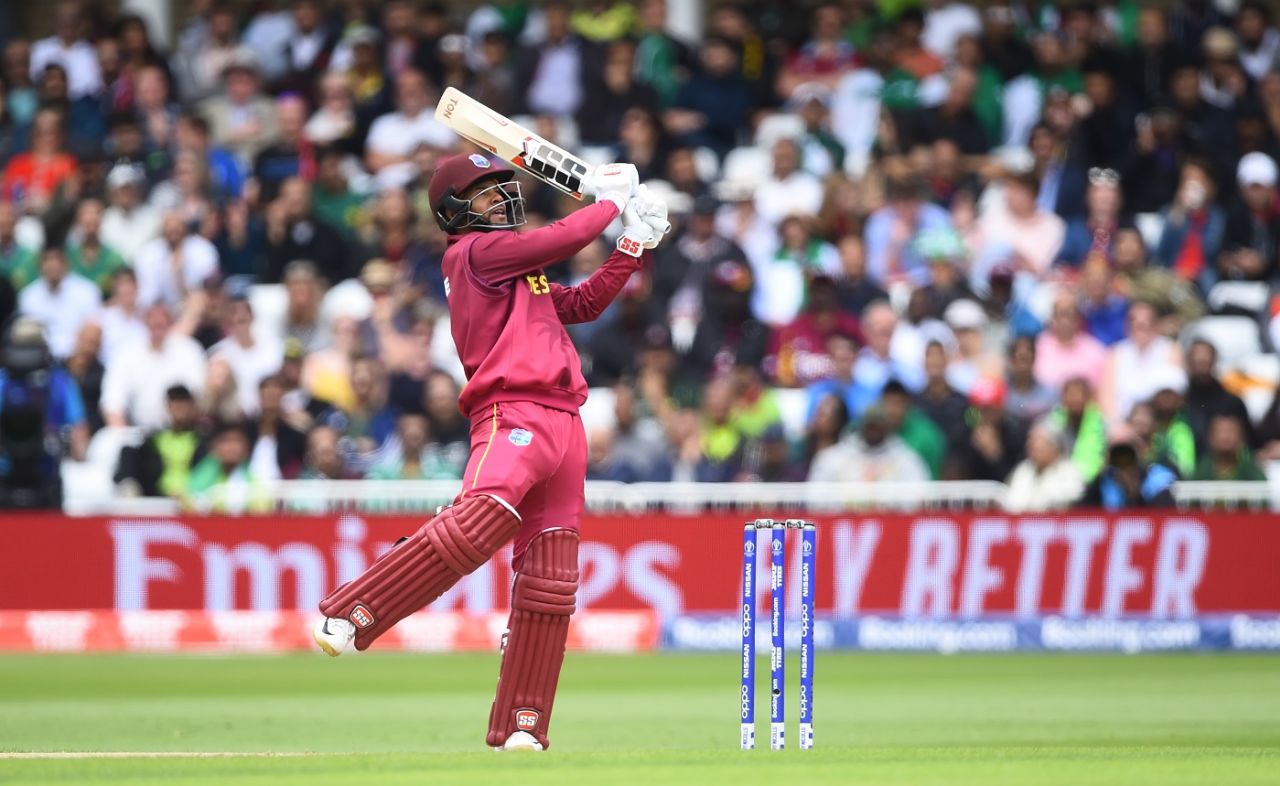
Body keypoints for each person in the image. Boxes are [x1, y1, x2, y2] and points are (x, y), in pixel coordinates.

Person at [312, 153, 669, 755]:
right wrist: (608, 203)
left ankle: (523, 725)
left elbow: (582, 304)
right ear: (452, 212)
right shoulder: (473, 256)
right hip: (513, 410)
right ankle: (352, 610)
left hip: (565, 422)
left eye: (503, 188)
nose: (500, 200)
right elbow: (567, 235)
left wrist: (633, 243)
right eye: (484, 194)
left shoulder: (519, 276)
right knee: (483, 518)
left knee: (551, 580)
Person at [807, 404, 930, 483]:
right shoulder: (833, 458)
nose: (873, 432)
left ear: (887, 428)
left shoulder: (906, 459)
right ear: (862, 426)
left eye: (878, 427)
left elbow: (918, 497)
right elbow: (817, 497)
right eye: (870, 427)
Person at [1005, 420, 1084, 512]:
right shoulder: (1023, 470)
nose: (1031, 445)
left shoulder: (1070, 473)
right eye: (1030, 440)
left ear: (1054, 445)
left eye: (1037, 440)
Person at [1192, 412, 1266, 481]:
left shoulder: (1250, 469)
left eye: (1231, 431)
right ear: (1210, 437)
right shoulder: (1203, 469)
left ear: (1242, 437)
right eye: (1220, 431)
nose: (1225, 437)